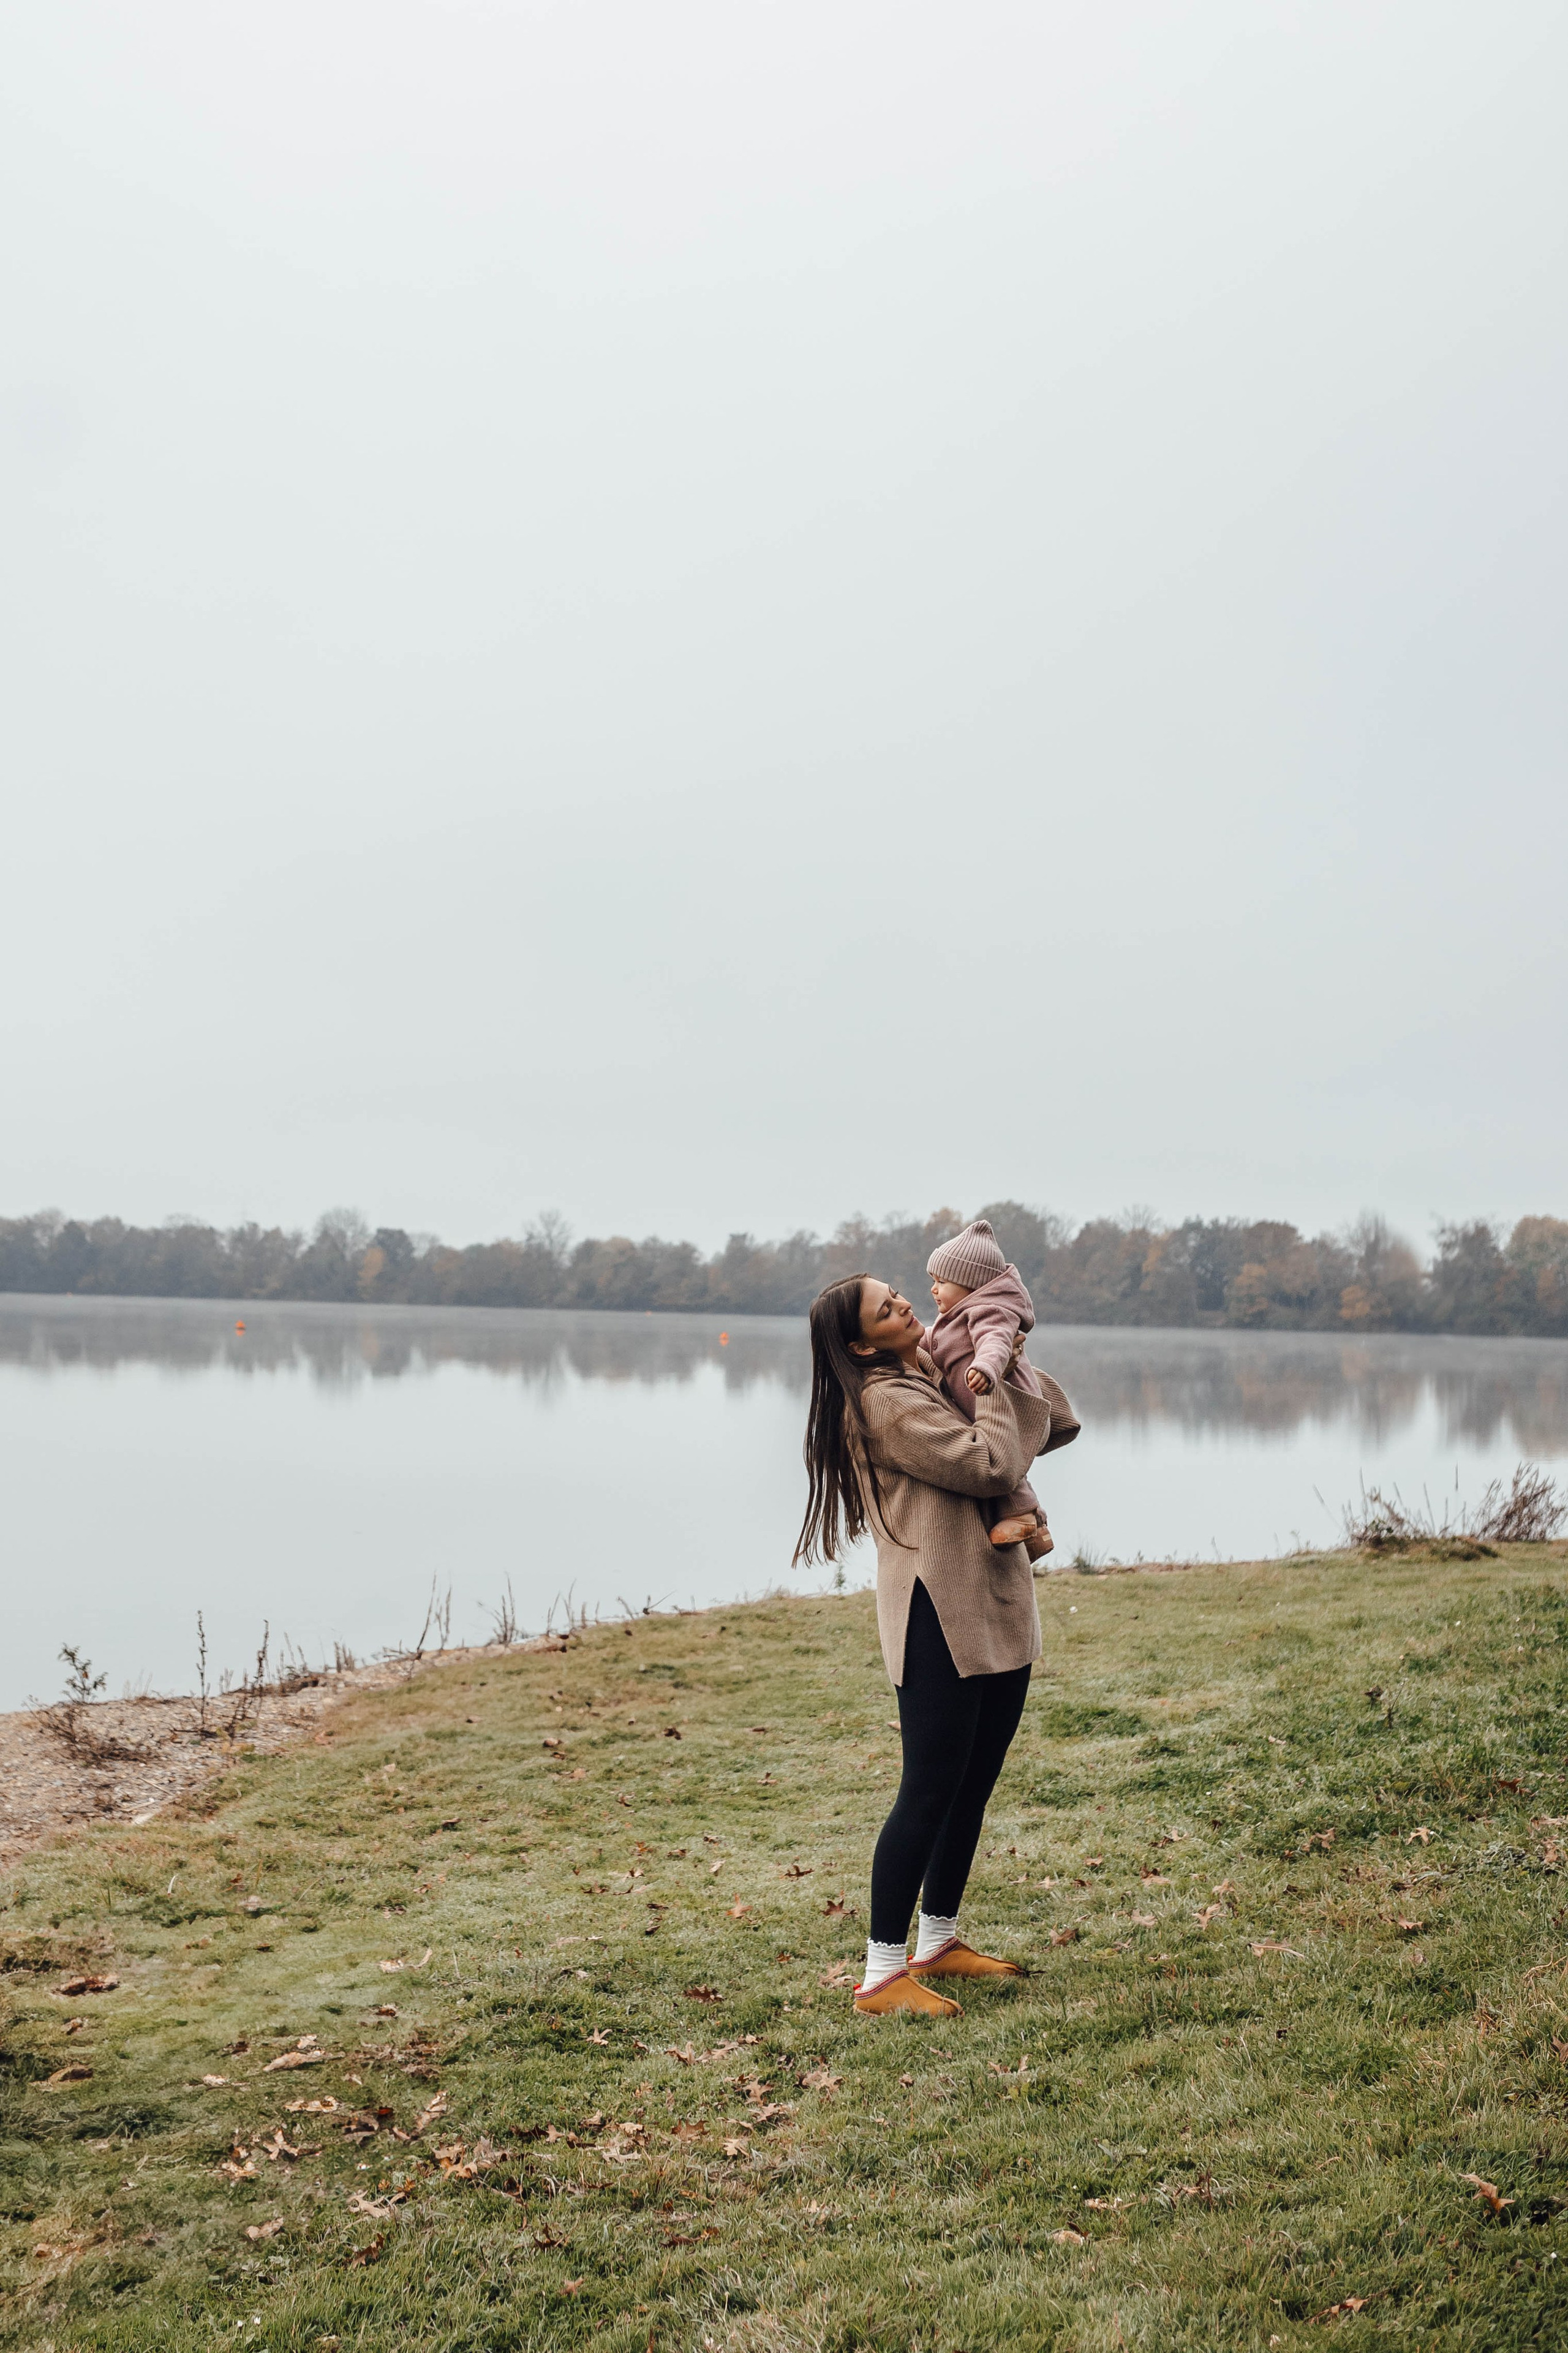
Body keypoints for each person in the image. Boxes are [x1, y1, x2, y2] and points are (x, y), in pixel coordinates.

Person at [793, 1271, 1080, 2018]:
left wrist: (1000, 1348)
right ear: (860, 1344)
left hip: (991, 1595)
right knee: (927, 1790)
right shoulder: (887, 1402)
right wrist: (990, 1380)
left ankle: (938, 1941)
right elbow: (989, 1461)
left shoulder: (927, 1366)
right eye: (886, 1309)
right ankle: (882, 1974)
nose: (905, 1305)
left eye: (898, 1294)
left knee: (971, 1783)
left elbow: (1044, 1420)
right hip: (937, 1613)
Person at [924, 1217, 1055, 1562]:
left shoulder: (989, 1312)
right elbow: (933, 1342)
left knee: (1001, 1461)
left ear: (972, 1285)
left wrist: (986, 1367)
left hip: (1009, 1401)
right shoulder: (955, 1317)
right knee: (992, 1456)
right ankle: (1038, 1531)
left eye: (942, 1282)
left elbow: (996, 1343)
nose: (934, 1290)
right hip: (982, 1402)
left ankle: (1024, 1515)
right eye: (933, 1282)